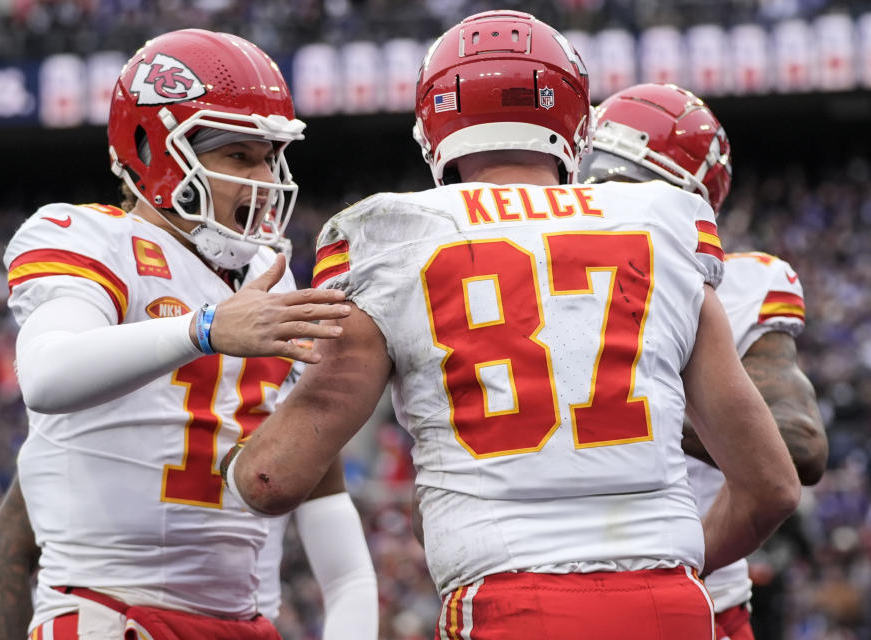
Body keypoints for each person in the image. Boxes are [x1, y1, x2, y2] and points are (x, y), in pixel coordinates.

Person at [221, 10, 800, 638]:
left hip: (511, 601)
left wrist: (232, 425)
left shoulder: (393, 237)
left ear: (433, 127)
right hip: (671, 605)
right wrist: (667, 567)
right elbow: (772, 486)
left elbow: (271, 479)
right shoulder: (658, 226)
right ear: (579, 123)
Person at [0, 28, 377, 640]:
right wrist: (207, 329)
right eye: (239, 156)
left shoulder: (269, 280)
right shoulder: (89, 237)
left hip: (247, 624)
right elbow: (48, 373)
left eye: (270, 156)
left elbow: (340, 550)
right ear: (154, 152)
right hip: (112, 613)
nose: (264, 177)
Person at [578, 82, 827, 640]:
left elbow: (802, 445)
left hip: (697, 595)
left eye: (624, 179)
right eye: (591, 168)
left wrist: (637, 408)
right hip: (549, 585)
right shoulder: (522, 264)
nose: (597, 191)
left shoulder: (736, 285)